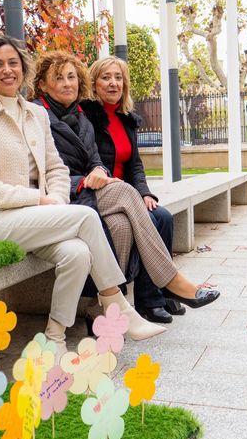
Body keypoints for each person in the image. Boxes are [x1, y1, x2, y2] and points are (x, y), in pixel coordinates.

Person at [0, 35, 165, 354]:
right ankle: (117, 307)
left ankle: (54, 334)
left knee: (78, 253)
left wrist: (54, 200)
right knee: (86, 215)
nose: (7, 70)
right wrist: (39, 201)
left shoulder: (35, 114)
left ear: (23, 68)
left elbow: (55, 168)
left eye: (13, 63)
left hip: (38, 217)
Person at [80, 55, 220, 309]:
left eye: (118, 77)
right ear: (93, 83)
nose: (113, 83)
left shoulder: (126, 119)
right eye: (106, 77)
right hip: (105, 196)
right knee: (141, 223)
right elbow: (94, 163)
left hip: (129, 194)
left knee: (162, 216)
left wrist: (145, 193)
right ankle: (167, 287)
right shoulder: (88, 118)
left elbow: (134, 165)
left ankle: (152, 298)